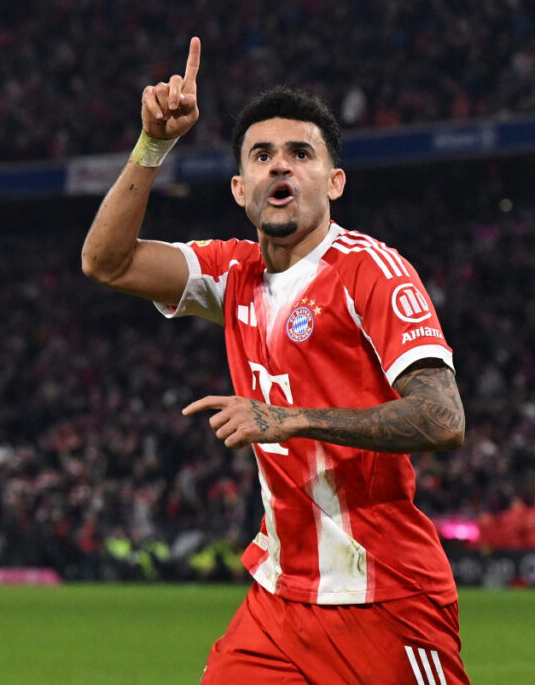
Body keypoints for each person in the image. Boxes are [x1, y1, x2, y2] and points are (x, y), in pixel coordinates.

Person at [83, 37, 470, 684]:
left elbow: (442, 417)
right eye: (261, 155)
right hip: (279, 604)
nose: (279, 167)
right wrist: (153, 146)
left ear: (334, 181)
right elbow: (106, 262)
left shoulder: (371, 272)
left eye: (300, 153)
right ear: (240, 187)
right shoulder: (232, 271)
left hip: (386, 598)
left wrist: (289, 419)